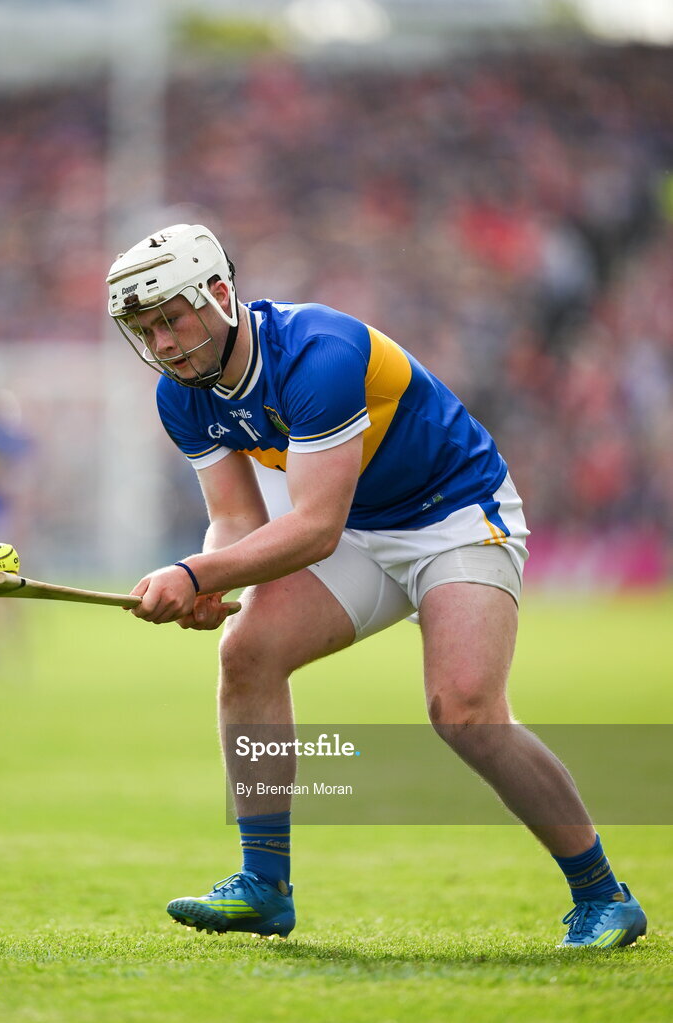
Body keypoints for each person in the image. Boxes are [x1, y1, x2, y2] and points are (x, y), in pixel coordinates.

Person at [106, 223, 646, 948]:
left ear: (219, 293)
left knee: (464, 710)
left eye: (171, 319)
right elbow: (234, 517)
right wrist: (209, 582)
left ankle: (601, 893)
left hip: (454, 512)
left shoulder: (317, 353)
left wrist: (192, 573)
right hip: (361, 525)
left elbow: (314, 528)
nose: (164, 344)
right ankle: (263, 886)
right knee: (247, 651)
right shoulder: (181, 396)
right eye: (146, 330)